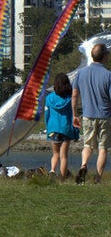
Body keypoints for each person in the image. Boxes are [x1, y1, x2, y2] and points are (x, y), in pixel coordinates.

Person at [72, 42, 111, 184]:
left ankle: (83, 165)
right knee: (102, 148)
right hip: (105, 116)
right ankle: (98, 178)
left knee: (87, 145)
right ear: (105, 57)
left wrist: (75, 114)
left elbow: (75, 95)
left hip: (88, 115)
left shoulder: (81, 73)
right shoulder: (108, 75)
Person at [45, 72, 75, 179]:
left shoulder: (49, 98)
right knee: (64, 156)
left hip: (53, 128)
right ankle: (62, 177)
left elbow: (47, 114)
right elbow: (72, 115)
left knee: (55, 154)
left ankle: (52, 170)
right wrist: (75, 131)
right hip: (66, 128)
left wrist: (48, 127)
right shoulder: (70, 98)